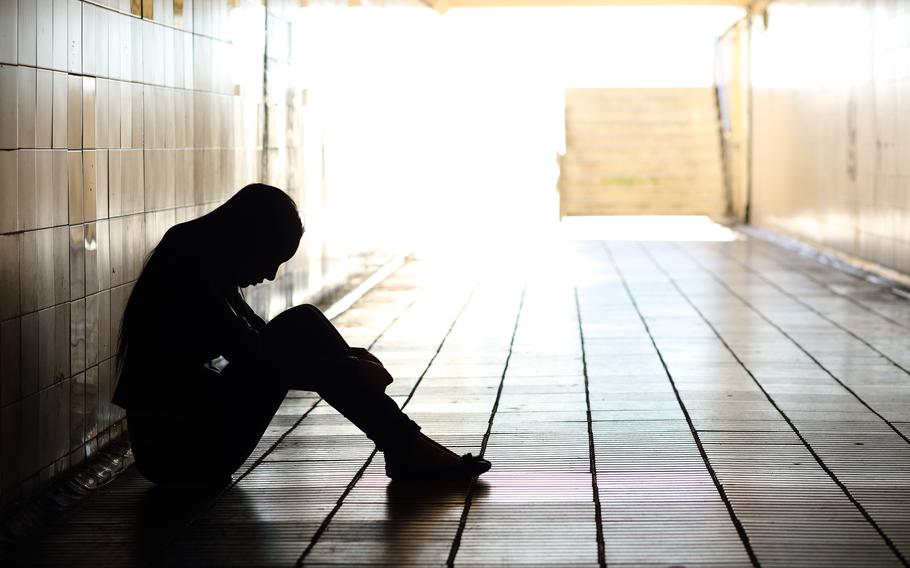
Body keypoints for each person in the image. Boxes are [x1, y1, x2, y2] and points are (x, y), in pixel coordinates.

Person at [112, 183, 490, 485]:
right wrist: (349, 368)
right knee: (300, 324)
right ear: (247, 238)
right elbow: (256, 355)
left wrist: (350, 359)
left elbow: (258, 340)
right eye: (272, 258)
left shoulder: (201, 255)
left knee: (302, 323)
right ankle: (406, 446)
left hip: (186, 440)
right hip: (176, 454)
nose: (271, 275)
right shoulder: (188, 264)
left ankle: (404, 446)